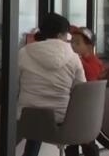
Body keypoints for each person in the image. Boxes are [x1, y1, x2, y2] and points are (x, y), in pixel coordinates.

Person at [18, 14, 85, 156]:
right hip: (61, 120)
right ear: (61, 35)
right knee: (45, 116)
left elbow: (14, 84)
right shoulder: (73, 58)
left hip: (28, 118)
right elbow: (82, 91)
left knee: (36, 118)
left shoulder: (24, 53)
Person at [65, 26, 104, 156]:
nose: (72, 45)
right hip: (74, 107)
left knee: (87, 142)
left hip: (86, 109)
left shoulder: (95, 63)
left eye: (77, 43)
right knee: (72, 142)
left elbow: (91, 77)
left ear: (89, 46)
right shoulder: (76, 60)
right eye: (72, 42)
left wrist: (76, 59)